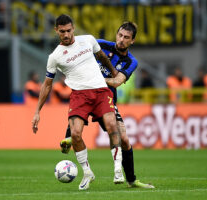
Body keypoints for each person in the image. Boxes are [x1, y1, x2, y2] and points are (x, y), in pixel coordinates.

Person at [32, 14, 123, 191]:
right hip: (79, 96)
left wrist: (113, 72)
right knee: (74, 135)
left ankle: (118, 170)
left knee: (112, 125)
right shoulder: (55, 56)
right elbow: (47, 85)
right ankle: (87, 172)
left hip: (100, 90)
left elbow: (102, 56)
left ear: (73, 28)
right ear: (56, 31)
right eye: (62, 32)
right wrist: (37, 111)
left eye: (68, 31)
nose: (66, 35)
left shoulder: (88, 40)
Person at [60, 22, 155, 189]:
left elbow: (117, 81)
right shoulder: (101, 44)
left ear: (132, 41)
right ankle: (69, 136)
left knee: (124, 139)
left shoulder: (131, 61)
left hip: (106, 99)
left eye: (126, 38)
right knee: (77, 123)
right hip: (86, 94)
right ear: (116, 34)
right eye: (120, 35)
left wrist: (93, 80)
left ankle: (131, 180)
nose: (121, 40)